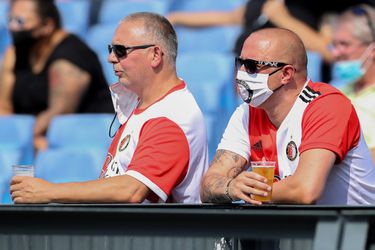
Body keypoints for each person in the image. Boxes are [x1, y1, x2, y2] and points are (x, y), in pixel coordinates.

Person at [10, 12, 209, 204]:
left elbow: (131, 190)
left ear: (155, 54)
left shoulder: (172, 116)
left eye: (121, 50)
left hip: (160, 237)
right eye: (111, 49)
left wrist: (48, 192)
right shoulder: (141, 103)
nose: (111, 58)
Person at [200, 27, 375, 205]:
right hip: (295, 227)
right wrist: (231, 188)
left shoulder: (327, 106)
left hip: (354, 227)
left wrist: (247, 191)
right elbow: (208, 184)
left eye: (252, 66)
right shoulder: (246, 112)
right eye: (240, 64)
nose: (241, 73)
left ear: (286, 74)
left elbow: (305, 190)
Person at [0, 0, 113, 151]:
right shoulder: (13, 54)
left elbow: (59, 113)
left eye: (20, 21)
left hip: (79, 140)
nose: (13, 27)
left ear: (47, 25)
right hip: (32, 136)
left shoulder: (69, 58)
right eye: (10, 20)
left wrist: (25, 137)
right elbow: (4, 107)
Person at [330, 4, 375, 163]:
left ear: (372, 49)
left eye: (344, 44)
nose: (335, 53)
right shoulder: (336, 91)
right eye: (334, 45)